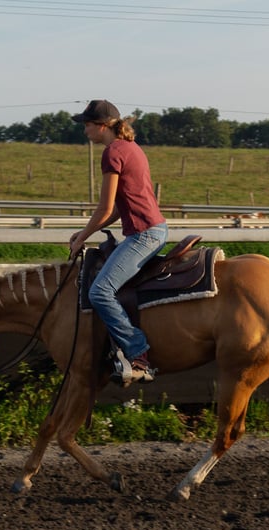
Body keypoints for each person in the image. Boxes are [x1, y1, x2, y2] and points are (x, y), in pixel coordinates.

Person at [69, 99, 168, 385]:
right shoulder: (131, 148)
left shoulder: (112, 152)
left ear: (102, 126)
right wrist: (83, 232)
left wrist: (81, 239)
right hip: (153, 229)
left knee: (100, 291)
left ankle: (138, 355)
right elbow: (115, 211)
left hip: (144, 234)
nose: (85, 130)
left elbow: (104, 207)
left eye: (87, 125)